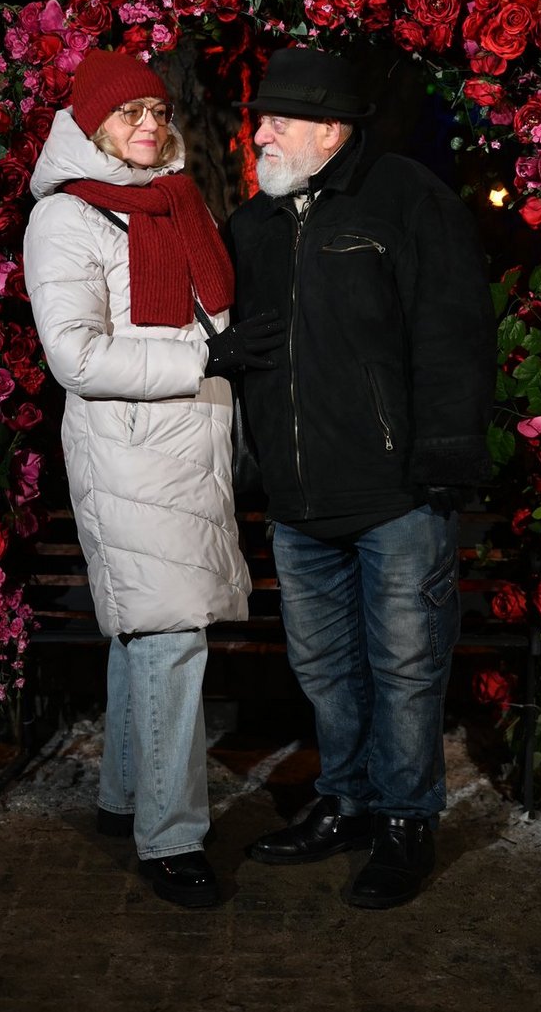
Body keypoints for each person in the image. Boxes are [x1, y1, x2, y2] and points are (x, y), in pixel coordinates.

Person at [226, 45, 497, 910]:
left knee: (406, 664)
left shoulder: (407, 200)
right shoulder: (253, 223)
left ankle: (407, 821)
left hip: (396, 497)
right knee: (322, 664)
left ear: (331, 129)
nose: (259, 130)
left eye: (277, 117)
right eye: (259, 115)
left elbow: (453, 334)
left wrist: (445, 458)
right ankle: (344, 800)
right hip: (301, 501)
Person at [23, 47, 283, 908]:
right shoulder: (67, 219)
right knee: (172, 639)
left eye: (156, 112)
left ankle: (124, 796)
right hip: (130, 449)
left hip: (187, 446)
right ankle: (170, 841)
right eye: (128, 113)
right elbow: (76, 354)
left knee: (148, 629)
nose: (147, 125)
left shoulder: (172, 201)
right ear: (92, 125)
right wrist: (200, 352)